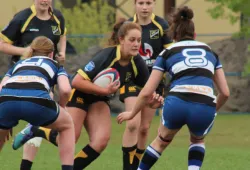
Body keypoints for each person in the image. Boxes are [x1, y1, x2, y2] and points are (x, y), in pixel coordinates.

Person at [13, 20, 161, 170]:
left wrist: (152, 102)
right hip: (81, 94)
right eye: (132, 40)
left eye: (139, 40)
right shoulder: (107, 55)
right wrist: (104, 91)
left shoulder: (137, 63)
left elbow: (146, 91)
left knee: (100, 141)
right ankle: (36, 129)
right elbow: (76, 81)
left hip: (100, 99)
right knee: (68, 137)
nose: (136, 44)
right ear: (121, 39)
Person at [117, 6, 230, 170]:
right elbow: (225, 92)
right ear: (195, 35)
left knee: (161, 141)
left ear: (174, 35)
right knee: (197, 139)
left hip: (177, 102)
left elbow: (147, 91)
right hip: (205, 102)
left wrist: (132, 113)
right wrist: (212, 109)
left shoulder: (167, 52)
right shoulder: (210, 52)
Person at [0, 0, 67, 169]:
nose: (44, 1)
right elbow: (2, 44)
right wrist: (27, 52)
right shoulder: (22, 18)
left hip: (44, 76)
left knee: (39, 118)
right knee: (5, 131)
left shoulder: (57, 16)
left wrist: (62, 53)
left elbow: (63, 35)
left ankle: (25, 165)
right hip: (20, 75)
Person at [121, 0, 173, 169]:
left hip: (154, 83)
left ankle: (138, 166)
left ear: (154, 4)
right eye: (141, 2)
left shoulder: (161, 25)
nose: (145, 7)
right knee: (132, 124)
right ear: (135, 4)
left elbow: (170, 53)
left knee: (144, 128)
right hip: (132, 81)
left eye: (148, 3)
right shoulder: (128, 25)